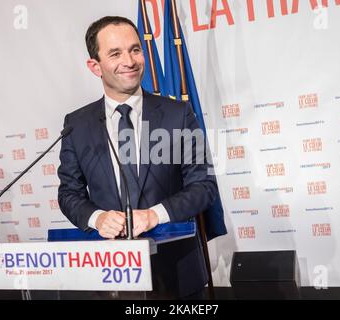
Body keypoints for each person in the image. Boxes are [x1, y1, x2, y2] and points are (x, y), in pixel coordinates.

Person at [57, 16, 224, 299]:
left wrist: (154, 215)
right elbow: (69, 193)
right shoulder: (77, 124)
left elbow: (204, 186)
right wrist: (97, 218)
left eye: (135, 49)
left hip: (177, 274)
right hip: (111, 275)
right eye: (115, 53)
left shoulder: (179, 114)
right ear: (95, 66)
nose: (130, 61)